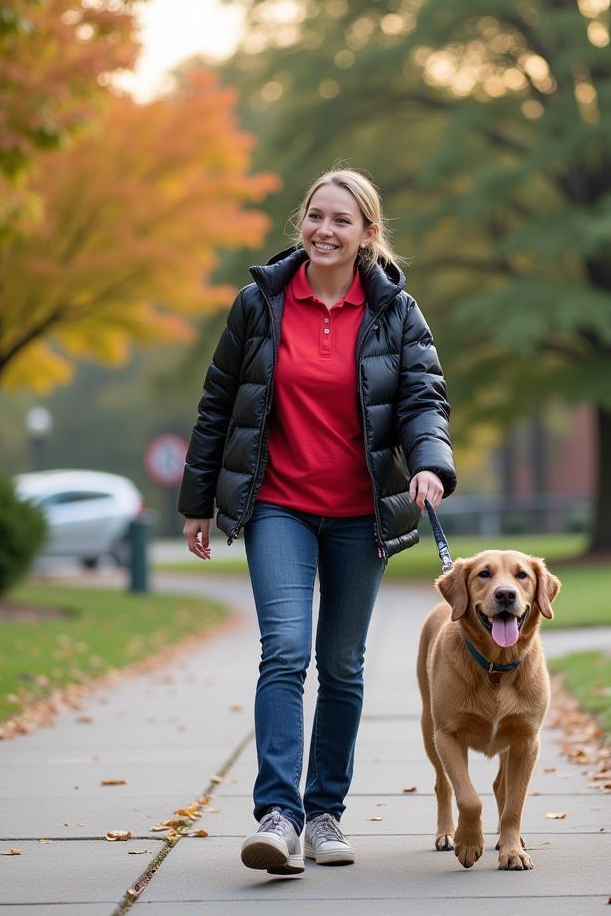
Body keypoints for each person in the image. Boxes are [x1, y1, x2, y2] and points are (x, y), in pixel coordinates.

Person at [178, 166, 456, 876]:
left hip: (360, 513)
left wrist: (429, 463)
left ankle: (325, 812)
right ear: (301, 223)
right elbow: (219, 405)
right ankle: (279, 815)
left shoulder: (396, 311)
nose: (324, 231)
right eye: (315, 216)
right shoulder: (260, 303)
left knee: (341, 664)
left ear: (368, 234)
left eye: (341, 220)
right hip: (279, 506)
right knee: (285, 650)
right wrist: (197, 501)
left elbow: (424, 398)